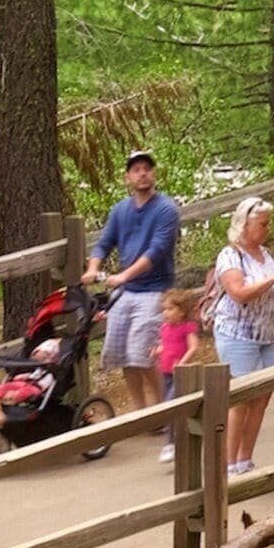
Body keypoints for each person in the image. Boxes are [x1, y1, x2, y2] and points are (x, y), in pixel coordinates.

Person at [83, 150, 184, 457]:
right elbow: (104, 242)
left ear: (153, 174)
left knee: (143, 353)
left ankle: (163, 409)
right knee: (121, 352)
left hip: (154, 289)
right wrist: (93, 267)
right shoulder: (120, 210)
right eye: (136, 169)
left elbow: (156, 251)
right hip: (126, 291)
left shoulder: (166, 209)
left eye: (147, 169)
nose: (142, 174)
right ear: (128, 177)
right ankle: (142, 414)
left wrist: (123, 275)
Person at [204, 199, 274, 475]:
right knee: (241, 398)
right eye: (262, 224)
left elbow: (273, 299)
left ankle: (246, 458)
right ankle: (229, 464)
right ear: (245, 225)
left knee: (262, 395)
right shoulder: (231, 256)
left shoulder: (266, 255)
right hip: (237, 333)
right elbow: (240, 293)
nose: (267, 228)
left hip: (267, 334)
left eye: (268, 223)